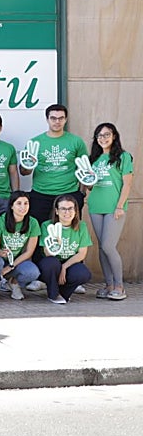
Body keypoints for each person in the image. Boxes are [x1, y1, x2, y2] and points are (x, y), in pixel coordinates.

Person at [86, 122, 132, 301]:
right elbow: (89, 186)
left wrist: (120, 206)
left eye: (106, 135)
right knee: (101, 248)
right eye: (99, 135)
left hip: (115, 207)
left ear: (114, 136)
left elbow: (127, 184)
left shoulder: (123, 157)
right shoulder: (93, 159)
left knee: (108, 246)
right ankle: (109, 285)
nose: (103, 138)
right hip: (96, 206)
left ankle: (119, 286)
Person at [20, 103, 86, 225]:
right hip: (41, 194)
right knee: (40, 235)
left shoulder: (76, 141)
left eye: (61, 118)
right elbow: (24, 172)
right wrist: (28, 165)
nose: (57, 121)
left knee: (69, 234)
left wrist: (81, 194)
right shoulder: (34, 142)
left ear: (66, 119)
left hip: (69, 193)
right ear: (47, 119)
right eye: (53, 118)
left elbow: (85, 168)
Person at [38, 195, 93, 305]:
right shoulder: (47, 225)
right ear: (57, 211)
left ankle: (63, 293)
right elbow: (47, 253)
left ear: (75, 211)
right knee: (51, 263)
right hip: (51, 264)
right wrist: (54, 245)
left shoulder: (81, 226)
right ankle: (53, 294)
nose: (67, 212)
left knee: (83, 273)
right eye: (63, 208)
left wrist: (64, 266)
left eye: (70, 208)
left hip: (69, 263)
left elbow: (82, 254)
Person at [0, 191, 41, 301]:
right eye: (19, 203)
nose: (23, 207)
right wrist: (0, 252)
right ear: (12, 206)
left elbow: (29, 252)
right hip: (1, 259)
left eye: (26, 203)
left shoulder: (33, 222)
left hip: (17, 260)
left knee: (33, 272)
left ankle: (13, 283)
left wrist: (10, 267)